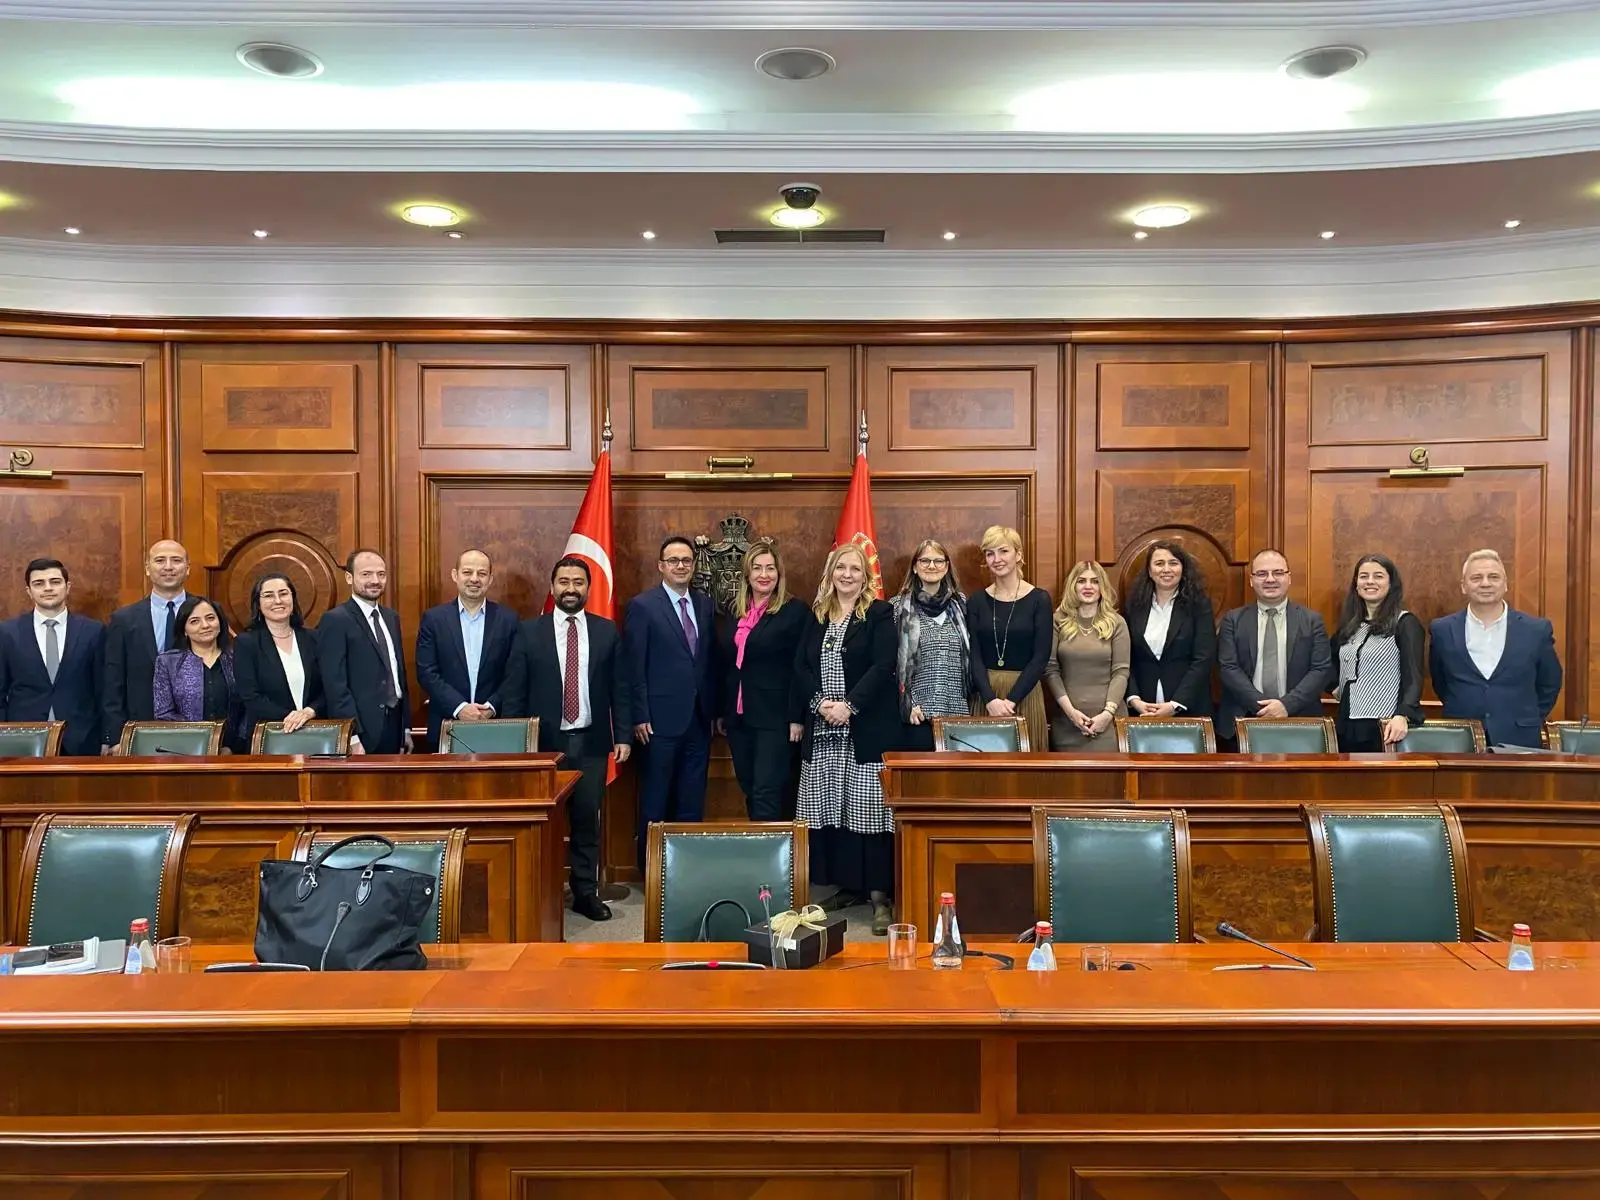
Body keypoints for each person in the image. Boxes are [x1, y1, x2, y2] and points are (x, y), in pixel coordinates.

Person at [502, 556, 632, 922]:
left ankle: (585, 893)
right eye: (564, 581)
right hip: (545, 745)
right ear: (553, 586)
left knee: (586, 821)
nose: (571, 588)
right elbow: (514, 693)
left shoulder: (606, 631)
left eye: (578, 582)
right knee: (542, 821)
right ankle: (540, 891)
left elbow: (620, 689)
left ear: (589, 589)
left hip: (591, 741)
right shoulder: (529, 632)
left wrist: (622, 734)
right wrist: (518, 745)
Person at [794, 543, 900, 934]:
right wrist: (821, 704)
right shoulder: (818, 614)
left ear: (865, 575)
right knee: (832, 810)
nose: (848, 575)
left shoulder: (877, 612)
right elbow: (801, 666)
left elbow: (883, 665)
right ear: (831, 572)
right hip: (823, 729)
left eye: (856, 569)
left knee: (869, 813)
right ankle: (848, 886)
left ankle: (878, 897)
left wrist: (849, 706)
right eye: (842, 568)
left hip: (864, 728)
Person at [626, 535, 717, 868]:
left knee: (692, 799)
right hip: (657, 722)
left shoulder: (704, 605)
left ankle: (687, 870)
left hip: (698, 719)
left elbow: (708, 662)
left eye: (686, 560)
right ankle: (651, 872)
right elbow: (634, 666)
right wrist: (638, 715)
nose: (681, 566)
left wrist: (715, 711)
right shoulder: (643, 606)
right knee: (656, 800)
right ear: (661, 566)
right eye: (674, 561)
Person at [1429, 548, 1561, 749]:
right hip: (1460, 736)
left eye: (1493, 577)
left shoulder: (1536, 630)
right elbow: (1441, 682)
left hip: (1520, 737)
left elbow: (1549, 683)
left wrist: (1526, 715)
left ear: (1506, 584)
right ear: (1464, 586)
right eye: (1476, 578)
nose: (1485, 583)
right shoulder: (1442, 630)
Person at [715, 539, 808, 820]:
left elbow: (801, 667)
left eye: (770, 568)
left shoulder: (794, 611)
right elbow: (727, 664)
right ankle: (762, 852)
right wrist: (722, 710)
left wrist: (797, 716)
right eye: (757, 568)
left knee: (768, 791)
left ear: (779, 574)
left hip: (775, 717)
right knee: (749, 787)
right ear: (747, 574)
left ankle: (772, 862)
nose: (763, 574)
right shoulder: (735, 610)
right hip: (739, 718)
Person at [1216, 549, 1334, 746]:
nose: (1270, 579)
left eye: (1278, 573)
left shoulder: (1312, 620)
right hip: (1243, 721)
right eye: (1262, 573)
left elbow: (1321, 670)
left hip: (1299, 721)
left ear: (1289, 578)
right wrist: (1264, 707)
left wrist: (1285, 705)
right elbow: (1228, 668)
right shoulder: (1233, 620)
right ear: (1251, 580)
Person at [415, 548, 519, 751]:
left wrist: (490, 707)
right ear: (455, 575)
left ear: (490, 579)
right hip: (447, 725)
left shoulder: (508, 620)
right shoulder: (434, 619)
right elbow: (427, 672)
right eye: (467, 572)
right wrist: (460, 708)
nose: (474, 579)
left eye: (481, 573)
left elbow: (515, 673)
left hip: (494, 726)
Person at [0, 558, 105, 756]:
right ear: (29, 591)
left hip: (82, 738)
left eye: (55, 582)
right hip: (22, 739)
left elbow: (103, 690)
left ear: (68, 587)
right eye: (39, 583)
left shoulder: (93, 631)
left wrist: (107, 737)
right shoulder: (7, 633)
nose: (48, 588)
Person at [317, 548, 412, 755]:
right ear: (349, 578)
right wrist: (350, 735)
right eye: (366, 574)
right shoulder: (335, 620)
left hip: (394, 726)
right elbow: (335, 685)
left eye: (381, 574)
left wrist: (406, 728)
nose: (375, 580)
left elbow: (398, 674)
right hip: (361, 730)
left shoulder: (391, 617)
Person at [966, 524, 1052, 752]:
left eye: (1004, 551)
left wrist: (1011, 700)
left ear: (1019, 555)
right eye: (990, 553)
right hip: (986, 696)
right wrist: (990, 700)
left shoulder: (1039, 599)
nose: (997, 559)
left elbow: (1041, 656)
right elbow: (973, 655)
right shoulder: (976, 601)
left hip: (1024, 694)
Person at [1330, 554, 1425, 752]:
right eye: (1363, 576)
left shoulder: (1405, 623)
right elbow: (1327, 662)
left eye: (1378, 576)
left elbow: (1414, 676)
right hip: (1347, 724)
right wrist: (1335, 687)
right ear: (1356, 584)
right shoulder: (1349, 626)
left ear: (1391, 583)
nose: (1370, 581)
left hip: (1386, 726)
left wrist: (1403, 715)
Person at [102, 538, 190, 752]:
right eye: (160, 560)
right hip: (138, 728)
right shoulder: (124, 619)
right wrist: (115, 737)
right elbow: (113, 682)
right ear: (148, 569)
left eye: (176, 560)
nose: (168, 567)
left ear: (187, 568)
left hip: (196, 728)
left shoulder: (207, 613)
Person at [890, 538, 971, 752]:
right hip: (917, 714)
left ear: (946, 567)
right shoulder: (897, 607)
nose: (931, 566)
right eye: (925, 560)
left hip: (958, 714)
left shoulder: (961, 606)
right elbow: (889, 664)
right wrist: (907, 703)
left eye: (938, 561)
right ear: (915, 567)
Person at [1123, 540, 1216, 721]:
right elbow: (1126, 659)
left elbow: (1203, 659)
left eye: (1173, 563)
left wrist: (1176, 704)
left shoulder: (1199, 605)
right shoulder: (1134, 606)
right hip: (1143, 709)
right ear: (1150, 571)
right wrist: (1134, 699)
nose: (1166, 569)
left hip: (1189, 709)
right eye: (1159, 563)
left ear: (1183, 569)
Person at [1044, 561, 1130, 752]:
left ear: (1103, 587)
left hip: (1109, 724)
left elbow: (1121, 672)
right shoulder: (1057, 621)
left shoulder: (1117, 623)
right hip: (1068, 721)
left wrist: (1107, 715)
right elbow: (1050, 670)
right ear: (1073, 585)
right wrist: (1071, 713)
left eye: (1095, 581)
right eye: (1081, 581)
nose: (1088, 586)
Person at [233, 572, 325, 745]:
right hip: (270, 735)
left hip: (317, 731)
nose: (277, 601)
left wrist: (310, 711)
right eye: (268, 595)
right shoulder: (246, 643)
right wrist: (292, 718)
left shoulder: (314, 639)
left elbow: (329, 687)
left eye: (283, 593)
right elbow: (250, 696)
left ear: (293, 599)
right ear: (258, 604)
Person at [152, 596, 245, 752]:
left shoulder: (239, 659)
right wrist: (201, 742)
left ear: (220, 623)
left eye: (210, 618)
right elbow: (163, 713)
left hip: (235, 752)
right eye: (194, 621)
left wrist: (233, 747)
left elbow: (248, 708)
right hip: (184, 751)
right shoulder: (168, 662)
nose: (205, 625)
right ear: (184, 630)